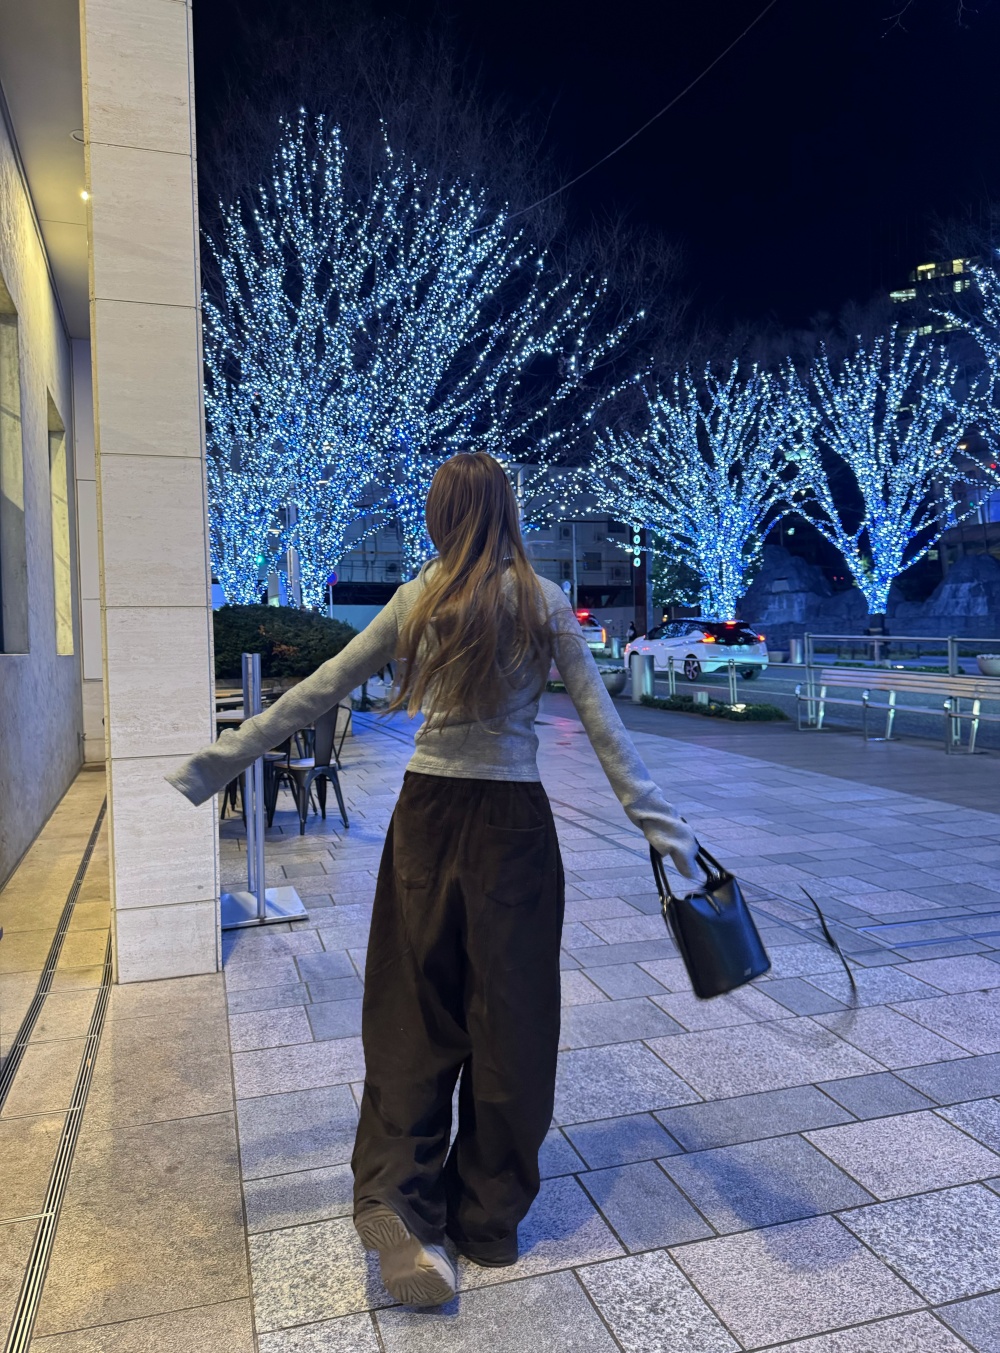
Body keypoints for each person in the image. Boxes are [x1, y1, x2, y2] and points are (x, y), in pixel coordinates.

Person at [167, 452, 700, 1307]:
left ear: (442, 515)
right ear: (506, 510)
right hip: (513, 830)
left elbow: (321, 688)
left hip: (426, 820)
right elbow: (607, 732)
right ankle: (486, 1221)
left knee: (411, 1016)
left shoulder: (419, 597)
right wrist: (668, 833)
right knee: (513, 1023)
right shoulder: (543, 599)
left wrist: (217, 763)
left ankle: (399, 1201)